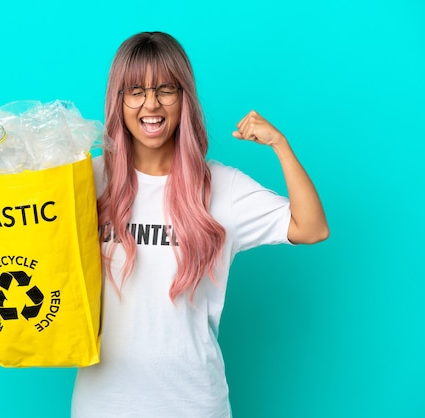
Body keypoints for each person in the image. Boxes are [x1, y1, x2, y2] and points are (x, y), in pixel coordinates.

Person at [71, 31, 329, 418]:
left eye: (165, 89)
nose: (151, 104)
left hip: (193, 404)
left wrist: (280, 144)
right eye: (135, 91)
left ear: (184, 98)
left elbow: (311, 228)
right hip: (102, 405)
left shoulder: (221, 186)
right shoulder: (87, 182)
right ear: (119, 100)